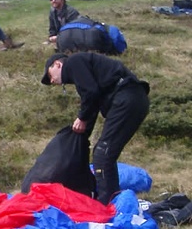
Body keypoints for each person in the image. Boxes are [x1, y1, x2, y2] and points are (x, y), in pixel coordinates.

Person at [41, 52, 149, 205]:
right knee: (105, 153)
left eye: (50, 75)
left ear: (58, 64)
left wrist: (82, 118)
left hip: (127, 98)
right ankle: (113, 200)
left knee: (102, 154)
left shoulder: (74, 62)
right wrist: (80, 136)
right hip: (135, 98)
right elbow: (93, 101)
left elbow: (91, 93)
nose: (52, 81)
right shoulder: (84, 70)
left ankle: (106, 204)